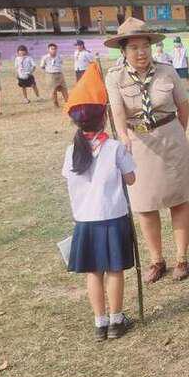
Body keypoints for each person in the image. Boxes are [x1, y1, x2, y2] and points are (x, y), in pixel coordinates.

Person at [104, 18, 189, 283]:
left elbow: (183, 107)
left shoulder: (167, 71)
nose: (141, 52)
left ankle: (181, 258)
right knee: (145, 205)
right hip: (139, 144)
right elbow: (118, 111)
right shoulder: (115, 77)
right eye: (134, 47)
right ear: (123, 50)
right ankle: (157, 260)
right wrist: (124, 137)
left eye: (145, 46)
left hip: (171, 139)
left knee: (179, 199)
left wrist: (177, 133)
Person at [61, 72, 137, 341]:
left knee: (94, 272)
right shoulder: (114, 148)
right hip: (113, 217)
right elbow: (131, 179)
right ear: (104, 117)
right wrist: (126, 153)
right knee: (114, 269)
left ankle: (100, 323)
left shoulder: (71, 150)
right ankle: (116, 320)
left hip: (85, 220)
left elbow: (68, 177)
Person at [40, 43, 69, 108]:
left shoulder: (59, 57)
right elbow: (42, 66)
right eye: (52, 49)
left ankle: (68, 103)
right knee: (53, 90)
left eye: (55, 49)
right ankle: (56, 104)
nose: (53, 50)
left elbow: (61, 63)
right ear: (48, 49)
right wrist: (49, 70)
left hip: (59, 74)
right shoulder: (45, 57)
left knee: (64, 89)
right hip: (51, 75)